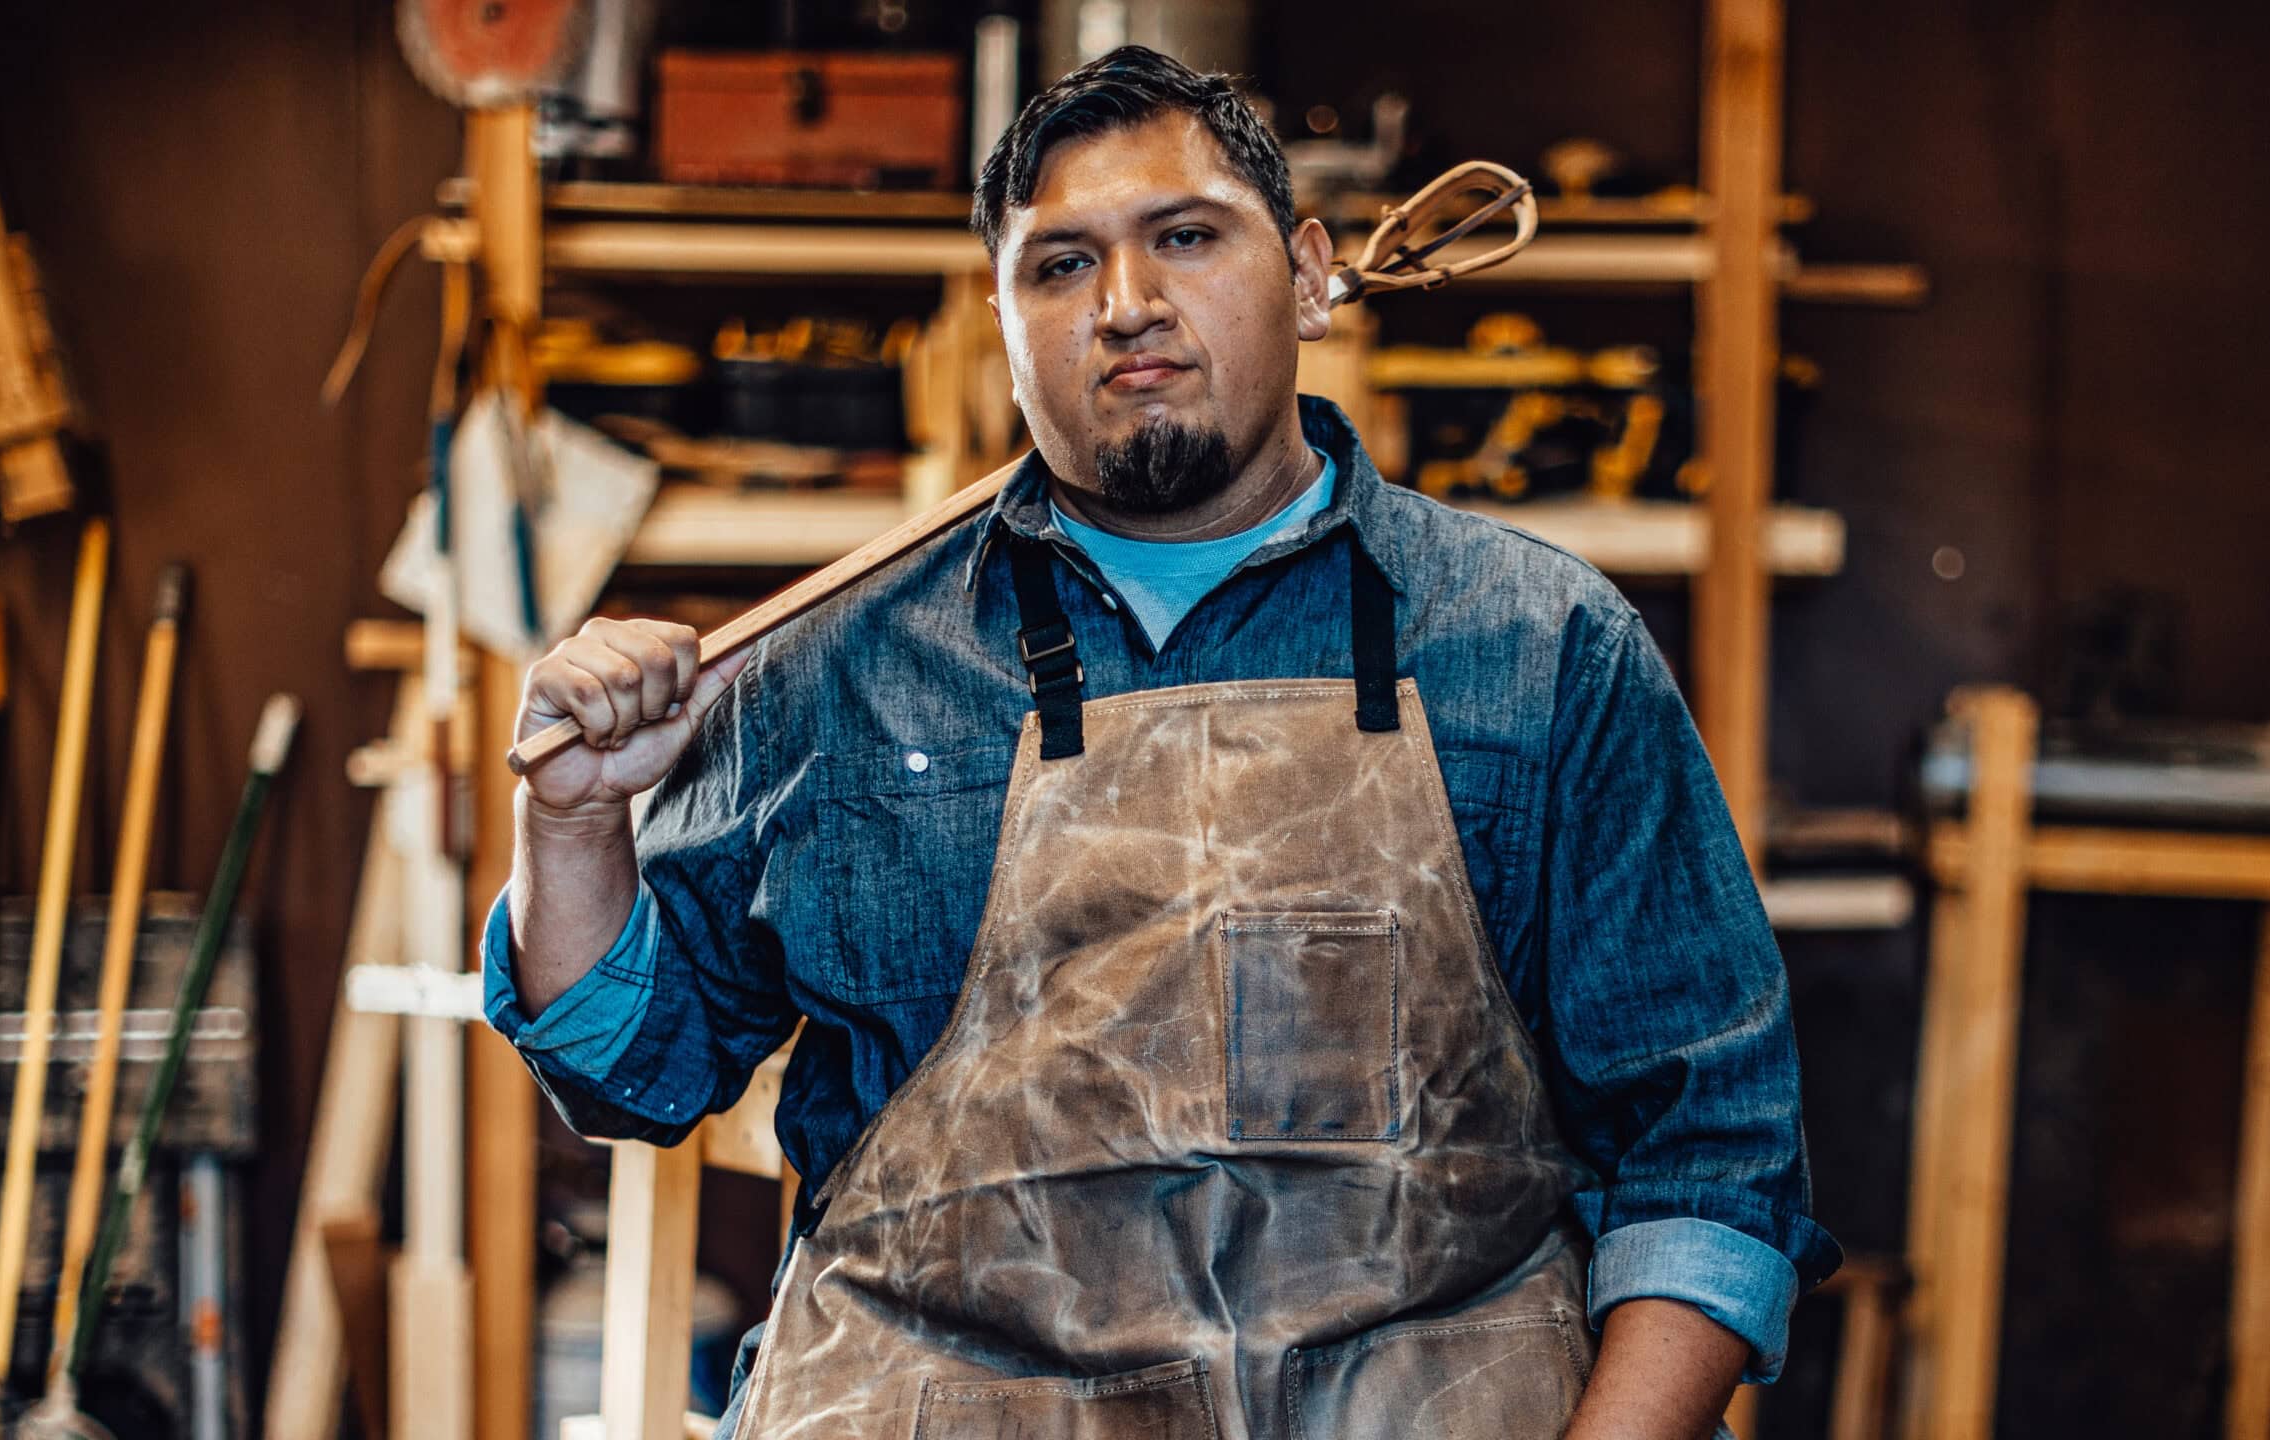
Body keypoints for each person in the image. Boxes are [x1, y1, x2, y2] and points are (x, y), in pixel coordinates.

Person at [485, 44, 1839, 1440]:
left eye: (1186, 238)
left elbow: (1711, 1156)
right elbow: (625, 1073)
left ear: (1314, 277)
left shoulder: (1540, 647)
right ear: (1002, 325)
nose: (1128, 305)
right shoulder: (830, 668)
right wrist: (574, 827)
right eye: (1059, 266)